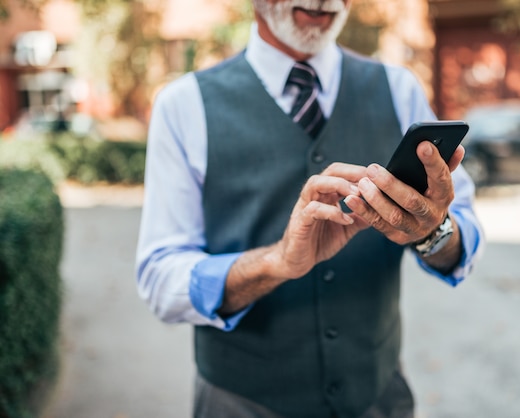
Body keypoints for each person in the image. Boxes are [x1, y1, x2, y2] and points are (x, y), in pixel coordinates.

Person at [135, 0, 484, 417]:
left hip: (377, 395)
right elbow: (160, 276)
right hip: (241, 403)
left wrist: (433, 232)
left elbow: (462, 236)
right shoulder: (183, 105)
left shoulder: (399, 88)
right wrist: (276, 262)